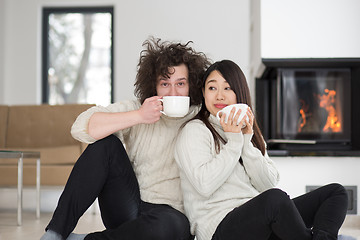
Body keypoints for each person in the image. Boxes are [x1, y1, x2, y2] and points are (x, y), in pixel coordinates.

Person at [41, 37, 210, 240]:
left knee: (176, 224)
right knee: (105, 145)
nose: (172, 92)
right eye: (165, 83)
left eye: (180, 84)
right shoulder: (139, 108)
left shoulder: (201, 115)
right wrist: (139, 116)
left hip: (169, 217)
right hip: (128, 206)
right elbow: (80, 128)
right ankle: (55, 233)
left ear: (191, 85)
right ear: (154, 86)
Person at [174, 60, 349, 240]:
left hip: (259, 222)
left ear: (239, 93)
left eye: (227, 88)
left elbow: (267, 184)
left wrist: (246, 143)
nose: (219, 96)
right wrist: (234, 142)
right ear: (203, 93)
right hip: (220, 227)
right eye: (212, 88)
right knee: (275, 199)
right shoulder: (194, 130)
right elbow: (205, 185)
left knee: (336, 193)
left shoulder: (247, 131)